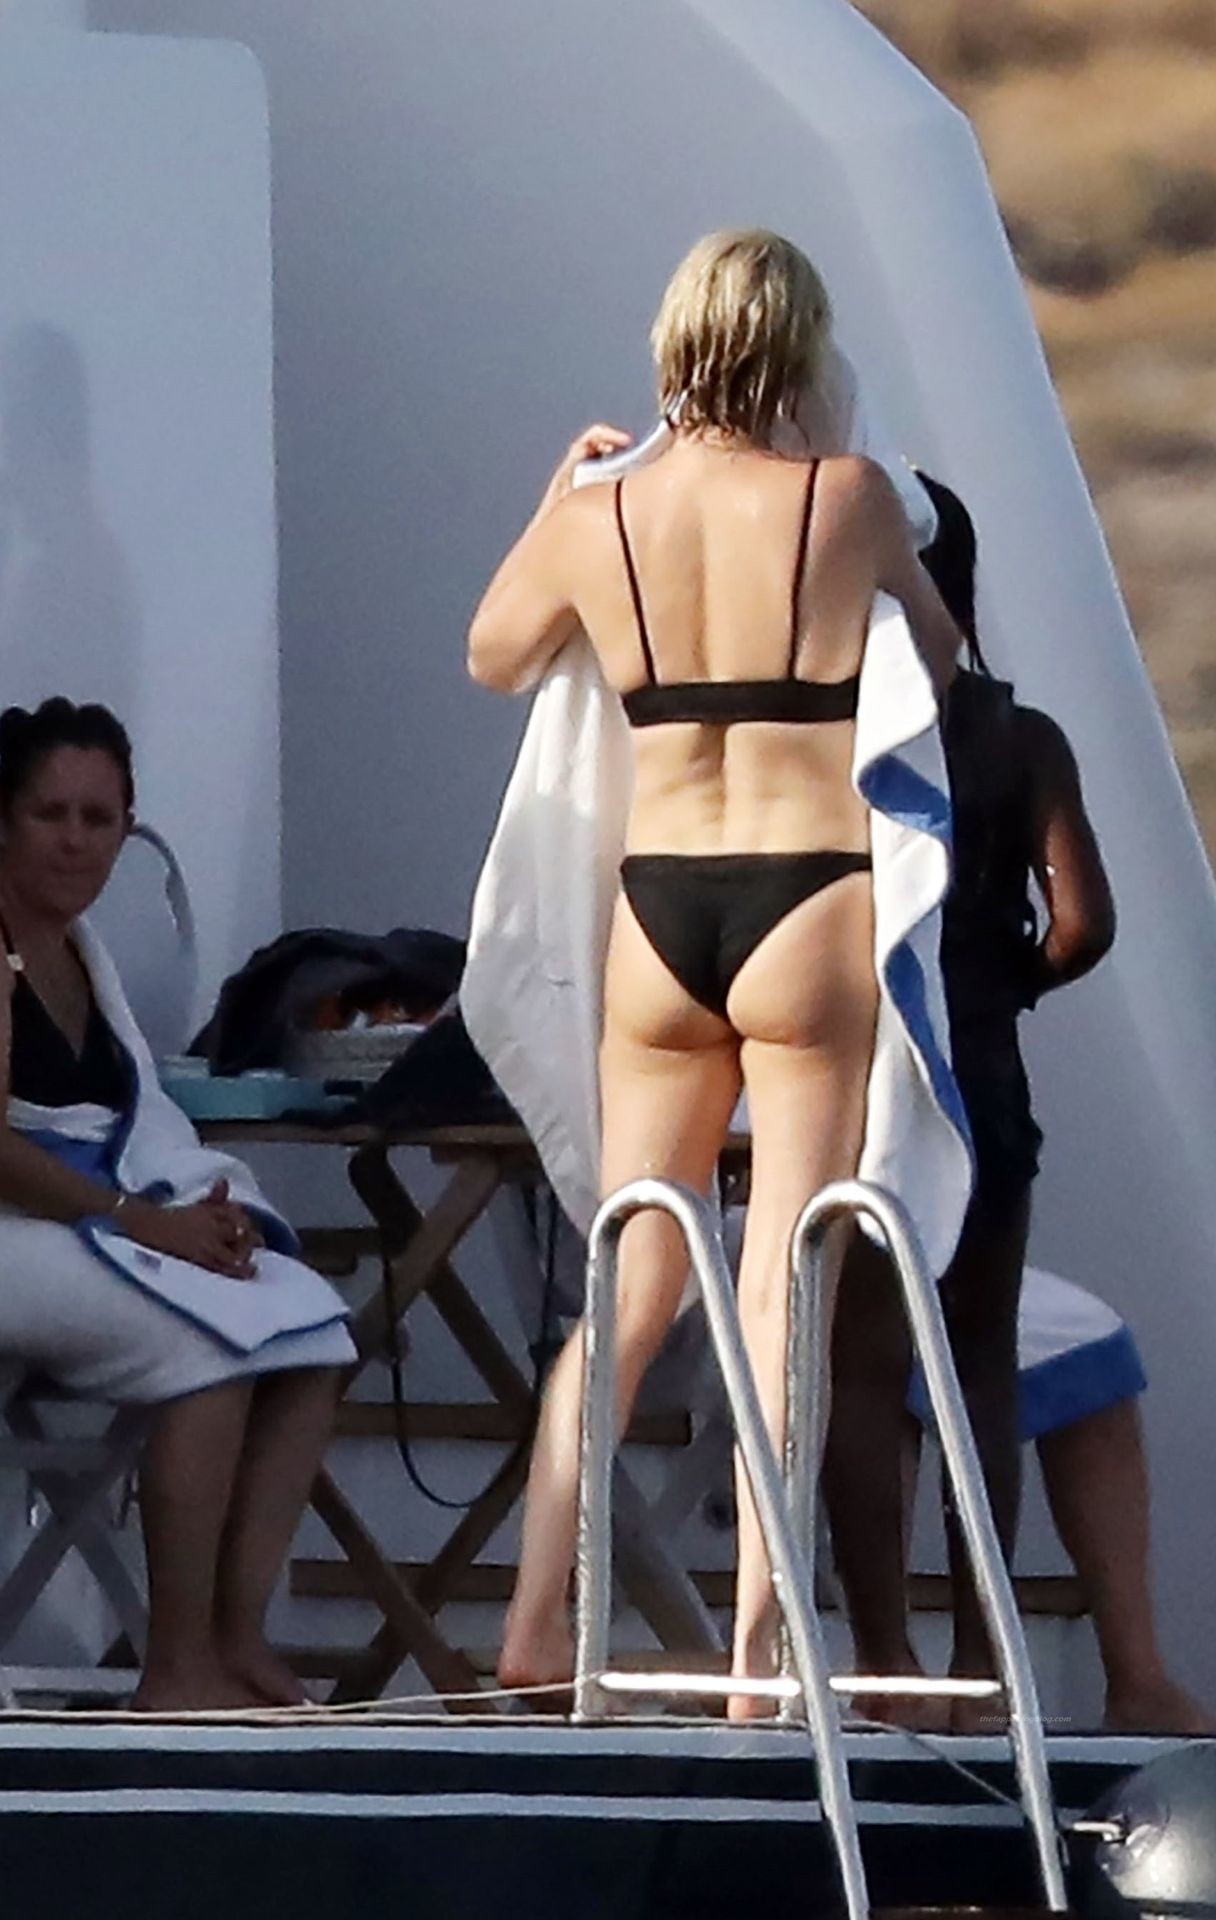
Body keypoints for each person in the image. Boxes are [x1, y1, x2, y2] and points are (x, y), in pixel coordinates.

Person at [467, 231, 964, 1711]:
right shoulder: (846, 498)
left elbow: (496, 653)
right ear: (800, 346)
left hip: (660, 904)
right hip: (807, 894)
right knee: (782, 1284)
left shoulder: (598, 520)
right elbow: (942, 657)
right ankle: (759, 1650)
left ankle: (534, 1623)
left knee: (629, 1274)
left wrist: (558, 500)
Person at [823, 475, 1207, 1735]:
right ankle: (987, 1663)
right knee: (982, 1362)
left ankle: (887, 1662)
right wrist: (1006, 985)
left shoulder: (842, 732)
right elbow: (1085, 923)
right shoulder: (1021, 735)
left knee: (865, 1371)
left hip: (875, 1075)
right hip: (988, 1076)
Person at [0, 698, 354, 1711]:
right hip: (17, 1225)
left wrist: (199, 1203)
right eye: (50, 814)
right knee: (206, 1345)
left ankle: (236, 1634)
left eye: (98, 818)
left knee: (313, 1332)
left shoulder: (80, 952)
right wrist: (138, 1218)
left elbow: (135, 1115)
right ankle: (176, 1665)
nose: (75, 840)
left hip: (85, 1216)